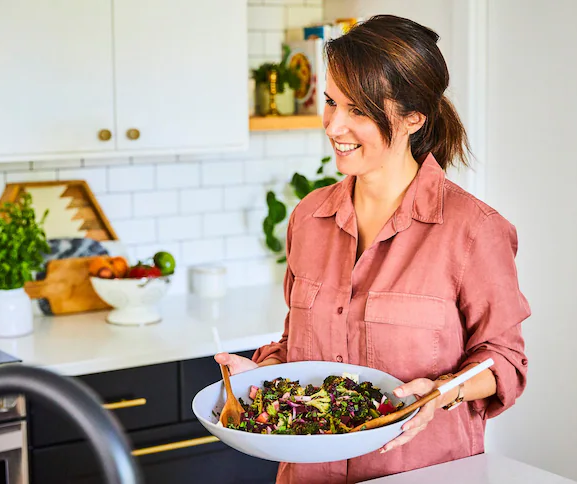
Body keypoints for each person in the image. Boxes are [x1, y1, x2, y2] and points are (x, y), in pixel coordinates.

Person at [215, 14, 531, 484]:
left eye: (358, 110)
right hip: (309, 473)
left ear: (413, 118)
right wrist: (259, 378)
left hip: (418, 472)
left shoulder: (472, 230)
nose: (333, 125)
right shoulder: (309, 218)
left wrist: (439, 394)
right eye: (330, 102)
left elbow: (504, 361)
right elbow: (298, 345)